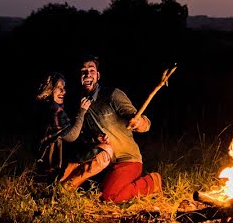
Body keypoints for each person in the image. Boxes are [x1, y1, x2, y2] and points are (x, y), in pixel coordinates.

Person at [61, 56, 162, 202]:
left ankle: (152, 182)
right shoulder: (78, 104)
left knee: (110, 197)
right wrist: (95, 139)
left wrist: (140, 122)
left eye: (91, 71)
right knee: (90, 194)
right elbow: (79, 137)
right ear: (79, 77)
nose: (88, 74)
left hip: (127, 159)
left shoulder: (113, 95)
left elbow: (144, 123)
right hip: (103, 164)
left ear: (98, 75)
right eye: (84, 72)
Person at [34, 72, 90, 179]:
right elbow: (71, 136)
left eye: (64, 88)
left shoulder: (43, 106)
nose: (63, 91)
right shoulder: (53, 109)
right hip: (48, 164)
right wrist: (82, 112)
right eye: (59, 87)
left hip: (38, 160)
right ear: (49, 89)